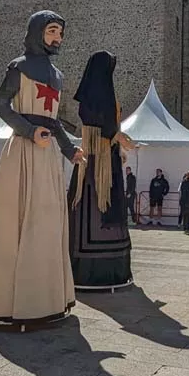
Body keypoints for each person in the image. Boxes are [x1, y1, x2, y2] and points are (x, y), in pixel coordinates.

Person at [0, 11, 85, 329]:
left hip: (48, 158)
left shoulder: (57, 75)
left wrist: (70, 149)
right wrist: (29, 131)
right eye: (52, 31)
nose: (57, 38)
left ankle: (44, 299)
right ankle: (6, 302)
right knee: (14, 221)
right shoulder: (19, 67)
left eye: (60, 32)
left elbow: (54, 120)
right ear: (37, 32)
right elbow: (0, 104)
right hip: (23, 150)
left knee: (46, 224)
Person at [66, 50, 137, 290]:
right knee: (94, 206)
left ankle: (115, 269)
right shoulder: (91, 100)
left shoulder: (110, 97)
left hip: (111, 160)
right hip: (96, 162)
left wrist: (119, 146)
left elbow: (109, 123)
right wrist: (118, 136)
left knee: (111, 206)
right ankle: (89, 270)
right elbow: (93, 118)